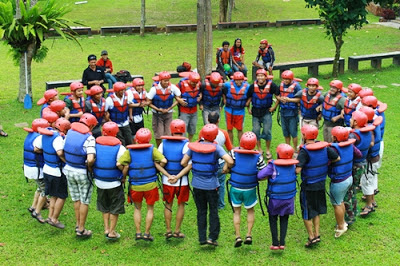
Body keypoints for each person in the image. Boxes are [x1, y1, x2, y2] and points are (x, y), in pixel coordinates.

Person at [181, 124, 234, 246]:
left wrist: (196, 167)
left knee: (201, 211)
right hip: (211, 185)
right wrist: (225, 168)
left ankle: (202, 238)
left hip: (197, 185)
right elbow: (230, 160)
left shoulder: (194, 147)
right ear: (215, 135)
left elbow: (184, 162)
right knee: (213, 211)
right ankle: (212, 237)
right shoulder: (216, 148)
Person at [117, 128, 167, 241]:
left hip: (135, 186)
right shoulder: (152, 150)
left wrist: (127, 173)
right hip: (151, 186)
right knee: (150, 209)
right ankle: (147, 233)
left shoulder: (129, 152)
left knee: (137, 208)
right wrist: (157, 169)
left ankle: (138, 233)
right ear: (149, 140)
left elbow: (119, 163)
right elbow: (163, 161)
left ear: (136, 140)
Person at [296, 125, 339, 248]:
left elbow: (297, 170)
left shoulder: (304, 151)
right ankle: (317, 234)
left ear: (304, 136)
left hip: (308, 186)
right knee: (316, 210)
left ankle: (311, 237)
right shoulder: (325, 148)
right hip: (320, 184)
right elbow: (337, 158)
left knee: (307, 212)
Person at [228, 132, 266, 248]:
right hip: (250, 189)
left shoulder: (233, 153)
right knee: (250, 211)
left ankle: (238, 236)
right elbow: (263, 173)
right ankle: (248, 235)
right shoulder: (258, 157)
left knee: (237, 212)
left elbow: (227, 163)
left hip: (235, 188)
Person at [258, 144, 299, 250]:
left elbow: (260, 176)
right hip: (289, 199)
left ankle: (275, 243)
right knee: (284, 219)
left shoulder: (273, 166)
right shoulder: (293, 165)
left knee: (273, 218)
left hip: (275, 199)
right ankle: (282, 243)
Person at [63, 113, 98, 238]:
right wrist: (90, 168)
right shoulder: (89, 138)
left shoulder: (69, 132)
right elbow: (90, 158)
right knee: (84, 201)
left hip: (68, 170)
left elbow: (62, 151)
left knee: (76, 199)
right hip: (82, 172)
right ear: (92, 125)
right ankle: (82, 229)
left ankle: (78, 224)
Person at [157, 119, 191, 239]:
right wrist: (178, 176)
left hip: (167, 181)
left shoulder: (163, 143)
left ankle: (168, 230)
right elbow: (189, 165)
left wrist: (167, 175)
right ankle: (177, 230)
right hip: (183, 181)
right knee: (181, 205)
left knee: (168, 204)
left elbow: (158, 162)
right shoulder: (186, 144)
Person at [35, 117, 71, 228]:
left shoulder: (45, 134)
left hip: (47, 169)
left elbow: (36, 149)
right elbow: (60, 153)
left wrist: (46, 153)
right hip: (57, 172)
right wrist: (67, 161)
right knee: (61, 196)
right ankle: (54, 219)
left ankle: (50, 217)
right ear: (64, 129)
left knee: (53, 195)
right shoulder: (58, 138)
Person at [93, 122, 126, 240]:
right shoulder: (120, 148)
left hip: (99, 181)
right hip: (114, 183)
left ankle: (106, 228)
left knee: (104, 205)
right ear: (116, 133)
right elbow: (121, 165)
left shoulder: (95, 145)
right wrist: (124, 176)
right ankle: (112, 231)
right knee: (115, 207)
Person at [329, 126, 361, 238]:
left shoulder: (334, 149)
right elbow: (359, 154)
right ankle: (343, 222)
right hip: (349, 178)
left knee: (337, 203)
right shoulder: (350, 145)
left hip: (338, 181)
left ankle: (341, 226)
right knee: (341, 200)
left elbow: (327, 163)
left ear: (334, 137)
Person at [344, 111, 375, 224]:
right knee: (353, 189)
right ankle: (354, 211)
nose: (350, 120)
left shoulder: (353, 136)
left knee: (348, 192)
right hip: (362, 164)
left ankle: (349, 217)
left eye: (351, 119)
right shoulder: (367, 132)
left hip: (354, 166)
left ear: (356, 122)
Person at [199, 113, 233, 210]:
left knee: (205, 182)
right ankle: (220, 204)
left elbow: (199, 145)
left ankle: (206, 202)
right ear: (218, 120)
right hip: (220, 163)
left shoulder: (202, 132)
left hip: (205, 164)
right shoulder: (224, 133)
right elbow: (230, 149)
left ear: (208, 120)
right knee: (221, 184)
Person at [247, 68, 279, 158]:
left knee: (267, 131)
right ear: (256, 77)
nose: (260, 77)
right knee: (256, 130)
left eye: (262, 76)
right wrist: (248, 108)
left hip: (266, 112)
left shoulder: (272, 85)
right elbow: (248, 98)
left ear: (266, 76)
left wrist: (274, 108)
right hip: (255, 112)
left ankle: (268, 150)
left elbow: (278, 97)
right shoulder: (252, 86)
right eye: (258, 76)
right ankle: (259, 149)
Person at [147, 71, 186, 147]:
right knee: (159, 134)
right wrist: (159, 109)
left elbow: (178, 98)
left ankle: (167, 148)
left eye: (168, 80)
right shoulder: (154, 89)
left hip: (168, 113)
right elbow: (149, 102)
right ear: (160, 80)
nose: (167, 82)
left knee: (168, 133)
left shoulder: (173, 88)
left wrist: (170, 108)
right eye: (165, 81)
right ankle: (159, 149)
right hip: (157, 114)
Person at [23, 118, 50, 222]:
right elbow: (37, 149)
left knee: (39, 187)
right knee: (45, 189)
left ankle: (33, 206)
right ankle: (37, 212)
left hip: (29, 167)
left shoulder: (30, 135)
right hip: (36, 168)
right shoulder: (39, 138)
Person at [359, 107, 382, 218]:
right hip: (374, 158)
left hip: (369, 160)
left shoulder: (369, 130)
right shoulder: (374, 123)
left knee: (366, 181)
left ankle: (369, 205)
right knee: (371, 180)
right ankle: (372, 201)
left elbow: (370, 144)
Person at [222, 71, 250, 144]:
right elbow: (221, 90)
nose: (238, 82)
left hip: (240, 111)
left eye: (240, 80)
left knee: (240, 129)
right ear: (234, 80)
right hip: (229, 110)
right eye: (237, 80)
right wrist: (224, 99)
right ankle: (231, 146)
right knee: (229, 129)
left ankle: (241, 145)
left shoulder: (247, 86)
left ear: (243, 80)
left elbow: (251, 95)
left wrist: (248, 104)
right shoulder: (227, 85)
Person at [277, 70, 302, 152]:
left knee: (293, 132)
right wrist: (280, 99)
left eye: (287, 79)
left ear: (291, 79)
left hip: (292, 112)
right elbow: (277, 95)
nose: (285, 81)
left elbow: (300, 99)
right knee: (286, 132)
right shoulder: (281, 85)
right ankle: (288, 149)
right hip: (283, 112)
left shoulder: (296, 86)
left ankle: (295, 150)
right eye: (284, 79)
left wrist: (289, 100)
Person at [105, 82, 133, 146]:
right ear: (116, 91)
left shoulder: (126, 96)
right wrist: (109, 121)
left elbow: (129, 105)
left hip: (125, 122)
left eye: (124, 90)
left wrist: (130, 115)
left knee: (129, 140)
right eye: (121, 90)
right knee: (121, 142)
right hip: (115, 124)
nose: (123, 92)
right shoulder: (109, 99)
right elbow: (105, 112)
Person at [177, 72, 202, 142]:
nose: (195, 84)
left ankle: (189, 141)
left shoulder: (199, 84)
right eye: (193, 82)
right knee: (183, 128)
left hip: (194, 110)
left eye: (196, 82)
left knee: (192, 128)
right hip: (184, 110)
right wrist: (179, 100)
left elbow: (201, 92)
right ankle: (183, 142)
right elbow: (174, 93)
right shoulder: (181, 84)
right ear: (189, 80)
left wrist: (200, 97)